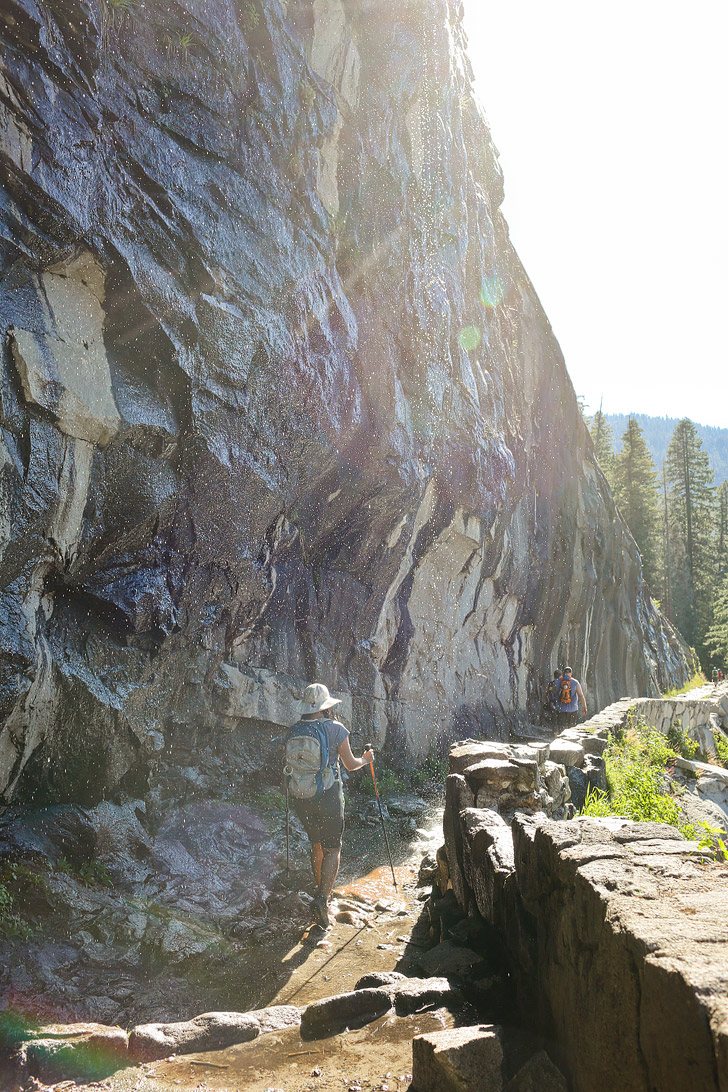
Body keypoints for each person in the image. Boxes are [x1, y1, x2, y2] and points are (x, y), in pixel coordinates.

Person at [284, 683, 374, 929]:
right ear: (326, 708)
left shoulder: (294, 730)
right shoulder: (336, 729)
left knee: (316, 844)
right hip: (329, 796)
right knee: (333, 848)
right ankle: (324, 898)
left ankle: (320, 892)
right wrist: (366, 760)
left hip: (302, 797)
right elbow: (350, 764)